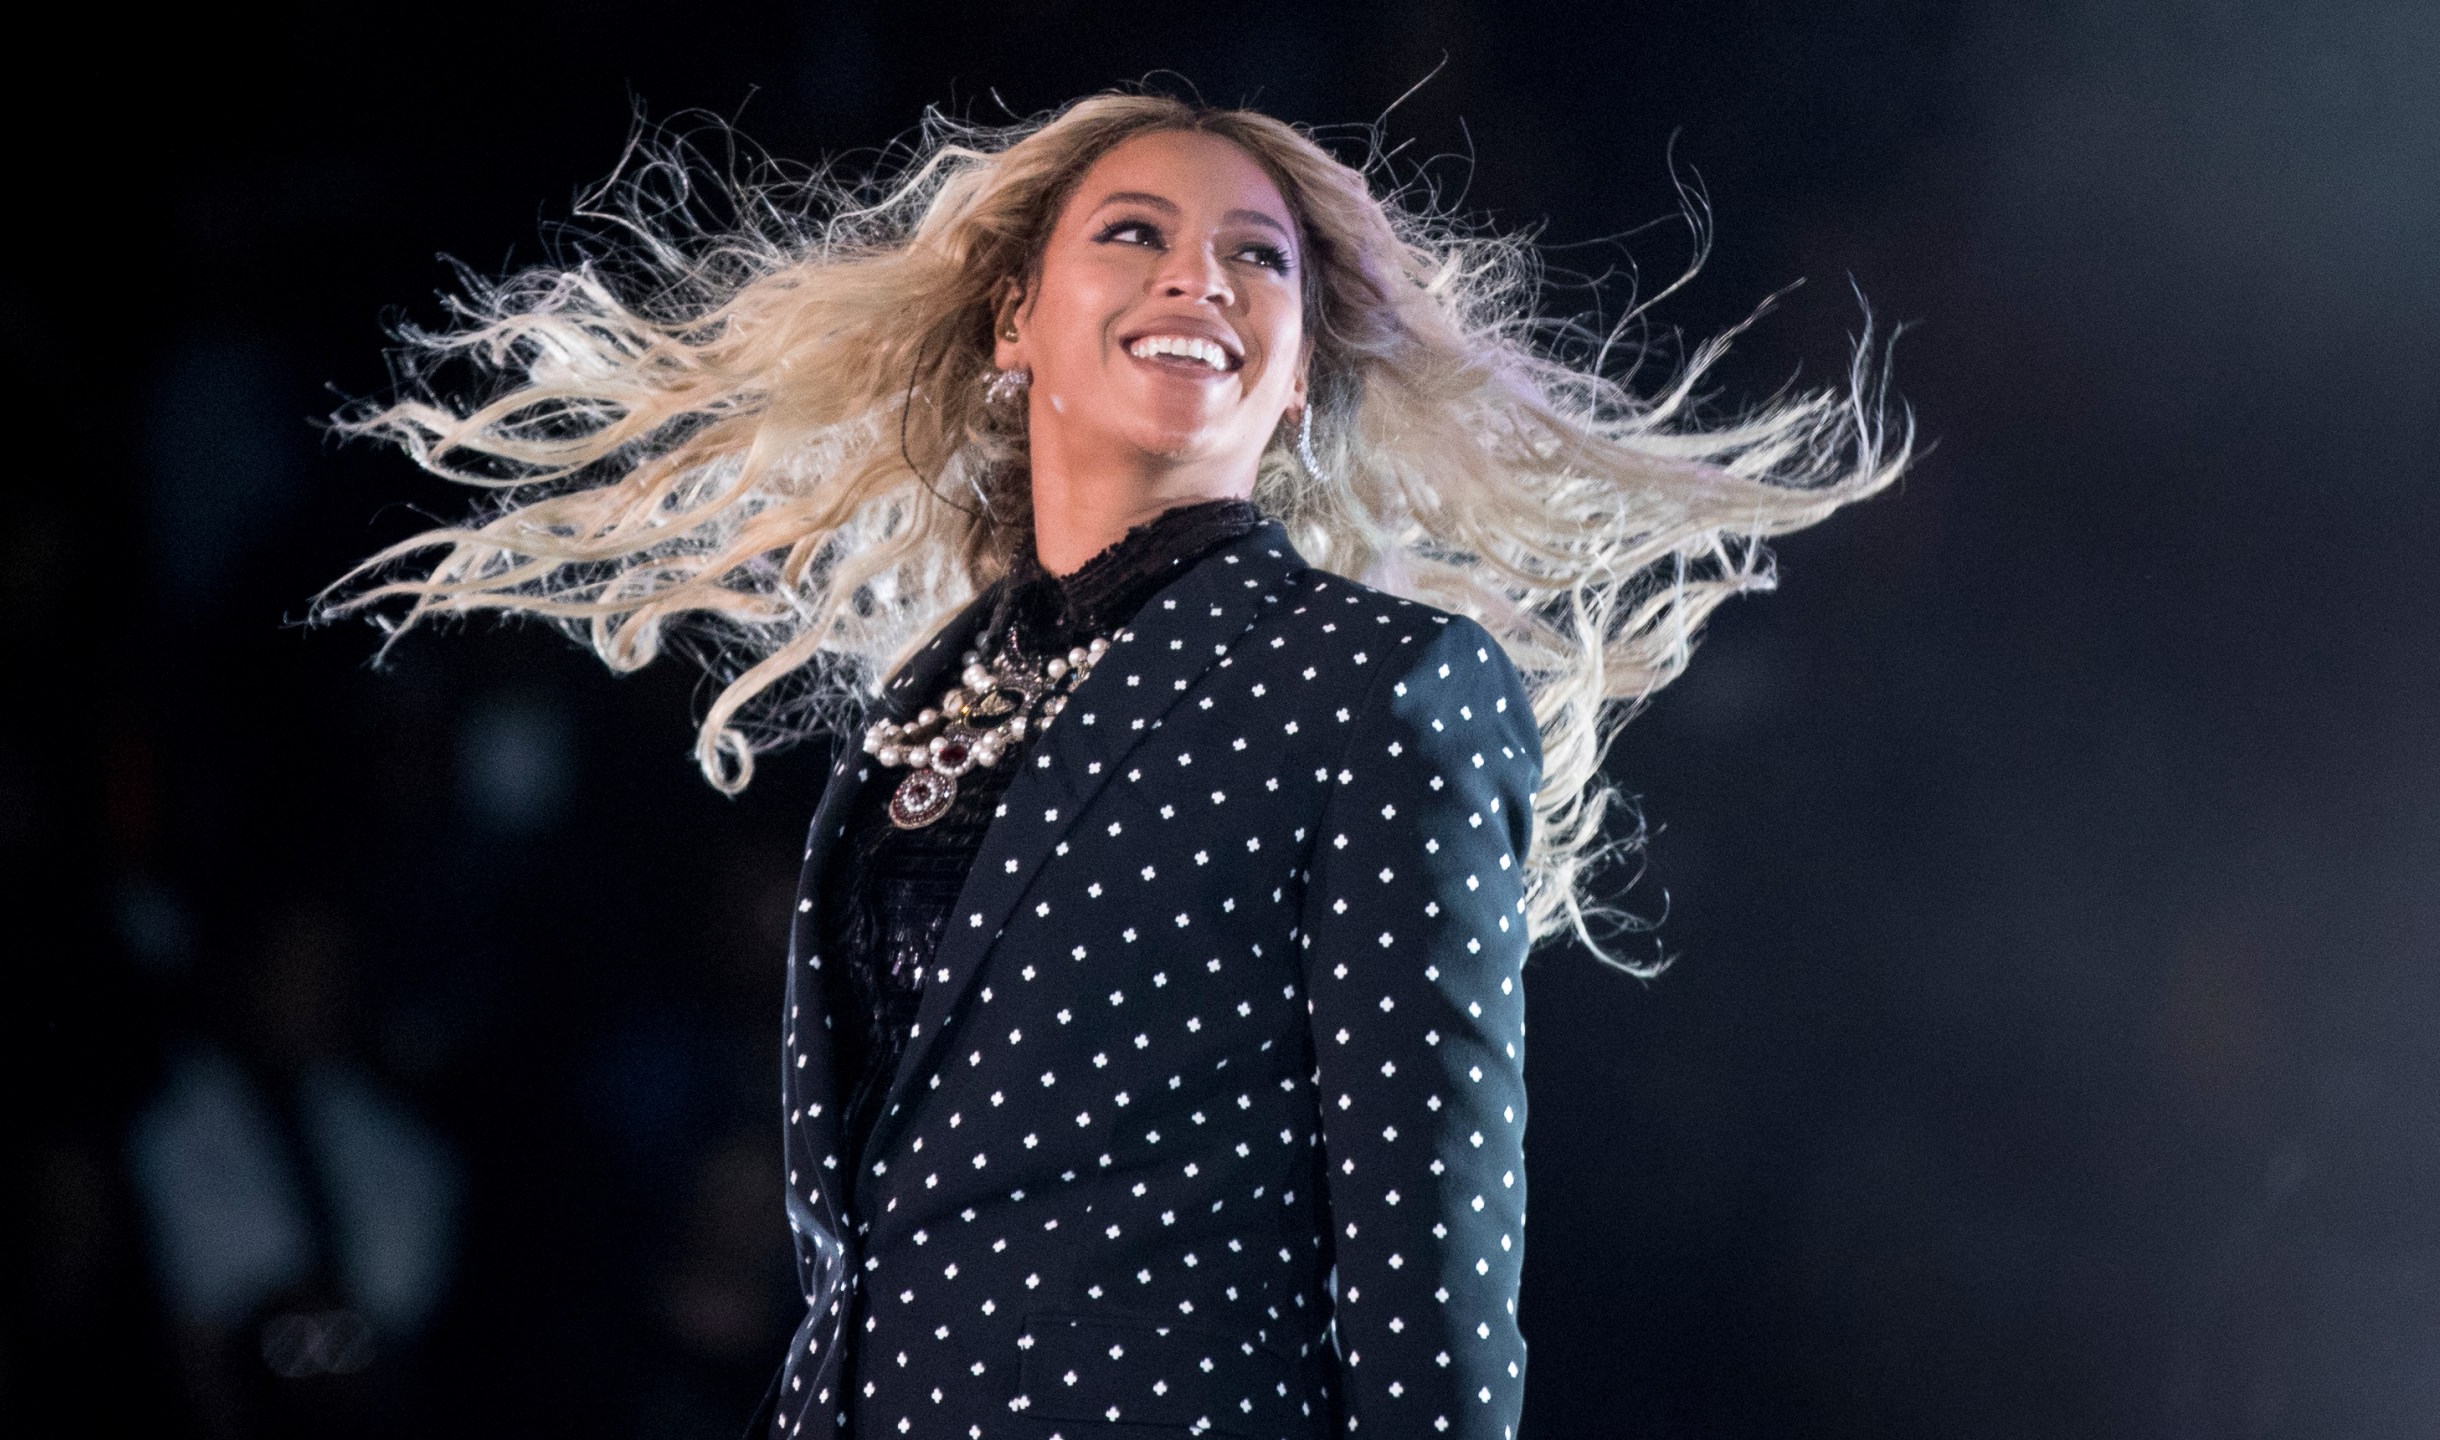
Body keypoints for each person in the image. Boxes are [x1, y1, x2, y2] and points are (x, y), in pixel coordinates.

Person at [325, 91, 1905, 1440]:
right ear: (1017, 318)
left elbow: (1433, 1257)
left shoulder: (1379, 683)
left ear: (1298, 372)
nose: (1196, 276)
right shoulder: (927, 700)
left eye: (1256, 256)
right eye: (1134, 232)